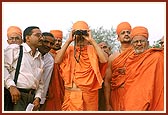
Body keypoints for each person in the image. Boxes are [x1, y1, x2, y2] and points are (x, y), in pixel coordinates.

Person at [55, 21, 108, 111]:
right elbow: (57, 60)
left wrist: (91, 40)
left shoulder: (92, 49)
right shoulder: (69, 50)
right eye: (77, 33)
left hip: (89, 97)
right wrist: (69, 40)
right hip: (71, 96)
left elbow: (104, 60)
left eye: (83, 32)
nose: (80, 36)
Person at [122, 26, 164, 110]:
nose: (139, 44)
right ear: (132, 44)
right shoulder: (129, 60)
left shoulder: (157, 57)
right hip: (132, 100)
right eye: (136, 42)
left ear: (148, 43)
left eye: (142, 41)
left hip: (153, 98)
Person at [4, 26, 44, 111]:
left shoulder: (40, 58)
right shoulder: (16, 49)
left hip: (31, 99)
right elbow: (3, 67)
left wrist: (37, 98)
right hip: (15, 96)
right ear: (28, 38)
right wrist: (11, 86)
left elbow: (41, 83)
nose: (41, 38)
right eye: (38, 35)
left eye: (41, 35)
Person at [104, 22, 134, 111]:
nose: (126, 34)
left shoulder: (138, 54)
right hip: (117, 95)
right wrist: (107, 103)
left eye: (128, 32)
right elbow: (107, 82)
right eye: (123, 33)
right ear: (118, 38)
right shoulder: (112, 58)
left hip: (134, 93)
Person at [44, 30, 65, 111]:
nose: (57, 43)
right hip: (49, 89)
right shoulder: (45, 55)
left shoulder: (65, 54)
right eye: (55, 41)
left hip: (62, 89)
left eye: (59, 41)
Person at [38, 32, 55, 110]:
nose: (48, 45)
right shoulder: (28, 53)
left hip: (38, 98)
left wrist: (41, 100)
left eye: (51, 43)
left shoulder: (49, 60)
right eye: (46, 42)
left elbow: (45, 80)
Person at [98, 41, 111, 111]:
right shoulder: (95, 62)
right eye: (100, 48)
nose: (103, 50)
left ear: (110, 48)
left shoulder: (115, 59)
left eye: (105, 47)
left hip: (113, 91)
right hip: (99, 91)